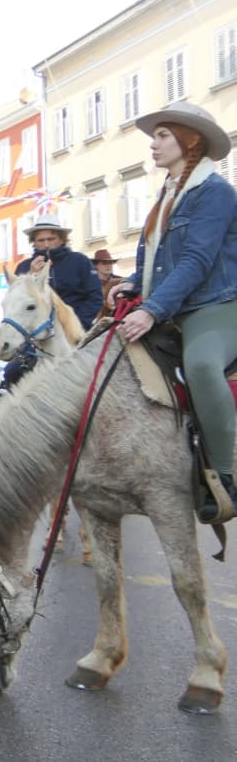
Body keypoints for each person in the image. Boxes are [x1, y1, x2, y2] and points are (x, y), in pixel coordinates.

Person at [107, 101, 237, 524]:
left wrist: (151, 309)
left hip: (215, 303)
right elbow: (160, 260)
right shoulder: (167, 194)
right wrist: (132, 282)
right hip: (173, 303)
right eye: (155, 136)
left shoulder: (214, 192)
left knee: (201, 365)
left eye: (163, 135)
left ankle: (225, 476)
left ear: (190, 140)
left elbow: (196, 261)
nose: (153, 144)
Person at [2, 215, 102, 390]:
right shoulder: (24, 267)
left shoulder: (80, 261)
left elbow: (95, 297)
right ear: (34, 242)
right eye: (41, 240)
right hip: (37, 336)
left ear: (62, 239)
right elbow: (19, 305)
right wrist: (31, 275)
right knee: (12, 372)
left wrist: (75, 324)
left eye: (51, 239)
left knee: (100, 370)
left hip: (77, 330)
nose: (46, 244)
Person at [91, 249, 125, 320]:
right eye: (104, 263)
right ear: (96, 265)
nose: (108, 266)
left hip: (118, 318)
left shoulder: (121, 281)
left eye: (110, 263)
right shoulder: (89, 284)